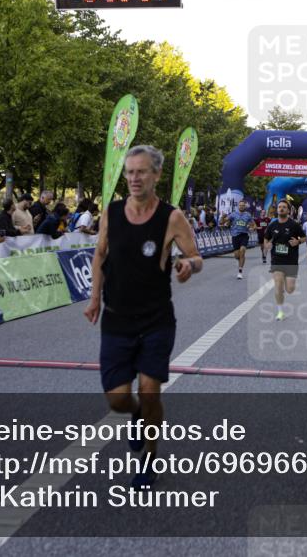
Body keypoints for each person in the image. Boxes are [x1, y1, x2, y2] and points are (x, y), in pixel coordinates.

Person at [83, 145, 201, 490]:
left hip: (156, 319)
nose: (134, 178)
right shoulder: (112, 212)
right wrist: (94, 299)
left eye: (141, 172)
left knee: (150, 392)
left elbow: (196, 257)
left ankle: (148, 460)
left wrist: (186, 265)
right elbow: (100, 255)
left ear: (157, 175)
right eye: (129, 172)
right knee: (119, 399)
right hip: (117, 318)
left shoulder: (172, 217)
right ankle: (134, 416)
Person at [264, 200, 306, 321]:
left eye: (284, 207)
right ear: (277, 210)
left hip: (291, 261)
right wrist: (267, 246)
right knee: (278, 286)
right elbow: (266, 239)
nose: (281, 209)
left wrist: (298, 241)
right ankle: (280, 312)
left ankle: (286, 287)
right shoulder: (272, 225)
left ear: (288, 210)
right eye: (279, 207)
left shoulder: (294, 225)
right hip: (276, 260)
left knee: (290, 289)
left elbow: (304, 237)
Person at [226, 200, 255, 280]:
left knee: (242, 251)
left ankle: (240, 271)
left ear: (245, 206)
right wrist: (224, 219)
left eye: (243, 205)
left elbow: (253, 224)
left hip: (244, 235)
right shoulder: (233, 214)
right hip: (235, 236)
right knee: (236, 255)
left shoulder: (248, 215)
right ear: (238, 206)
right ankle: (239, 260)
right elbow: (226, 220)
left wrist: (252, 228)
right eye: (240, 205)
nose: (241, 206)